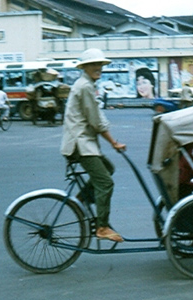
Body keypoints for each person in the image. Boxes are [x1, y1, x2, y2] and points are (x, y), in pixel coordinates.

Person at [60, 48, 126, 243]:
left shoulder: (86, 84)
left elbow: (96, 117)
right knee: (105, 183)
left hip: (84, 142)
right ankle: (102, 226)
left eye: (100, 65)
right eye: (93, 65)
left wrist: (112, 140)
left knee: (108, 168)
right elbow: (95, 121)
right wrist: (113, 142)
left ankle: (81, 199)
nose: (98, 68)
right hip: (80, 144)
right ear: (85, 67)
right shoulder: (84, 87)